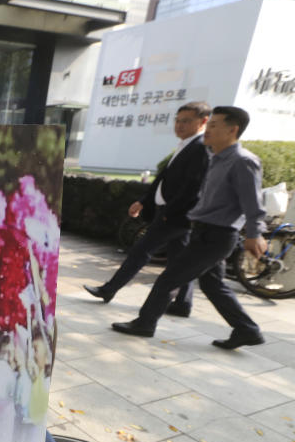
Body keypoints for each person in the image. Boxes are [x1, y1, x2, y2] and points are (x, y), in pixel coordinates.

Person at [111, 106, 268, 349]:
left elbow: (252, 202)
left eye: (214, 125)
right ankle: (246, 330)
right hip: (204, 231)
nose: (208, 129)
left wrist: (255, 234)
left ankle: (145, 323)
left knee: (168, 279)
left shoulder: (243, 162)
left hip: (217, 235)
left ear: (232, 129)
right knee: (212, 284)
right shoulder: (215, 157)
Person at [84, 101, 212, 317]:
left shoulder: (200, 148)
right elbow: (164, 179)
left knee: (140, 251)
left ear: (203, 122)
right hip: (174, 215)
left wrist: (169, 214)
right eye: (178, 120)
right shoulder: (186, 145)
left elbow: (192, 189)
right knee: (180, 261)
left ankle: (109, 290)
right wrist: (144, 200)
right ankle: (183, 304)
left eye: (186, 121)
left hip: (175, 216)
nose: (179, 125)